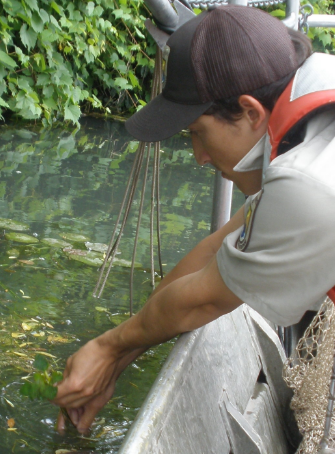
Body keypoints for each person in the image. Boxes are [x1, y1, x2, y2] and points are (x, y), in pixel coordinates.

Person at [52, 5, 335, 434]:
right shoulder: (310, 106)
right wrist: (116, 360)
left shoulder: (308, 185)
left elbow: (206, 298)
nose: (200, 158)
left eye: (198, 133)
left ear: (250, 112)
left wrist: (109, 347)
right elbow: (214, 251)